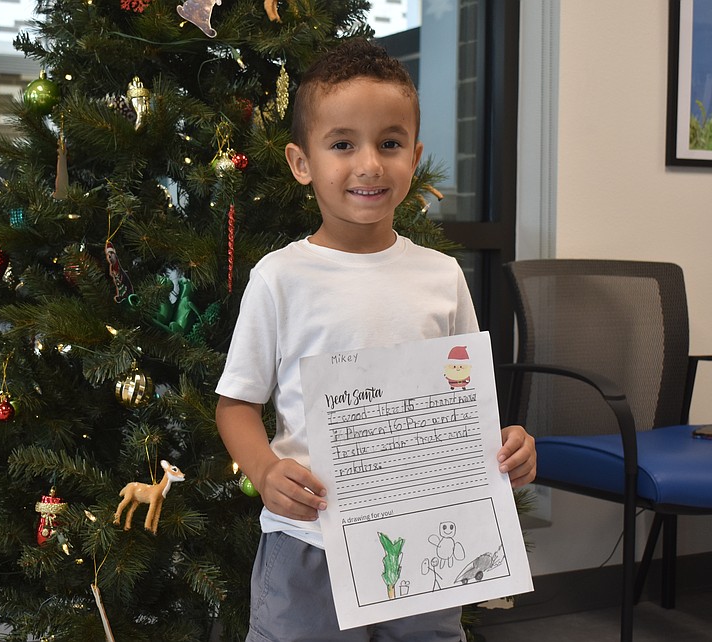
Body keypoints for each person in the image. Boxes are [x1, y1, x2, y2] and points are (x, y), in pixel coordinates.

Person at [215, 37, 536, 642]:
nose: (369, 164)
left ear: (413, 157)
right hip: (310, 539)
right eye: (342, 144)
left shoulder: (442, 276)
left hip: (425, 538)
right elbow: (236, 404)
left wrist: (508, 448)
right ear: (301, 161)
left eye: (390, 144)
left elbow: (467, 403)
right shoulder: (279, 278)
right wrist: (264, 470)